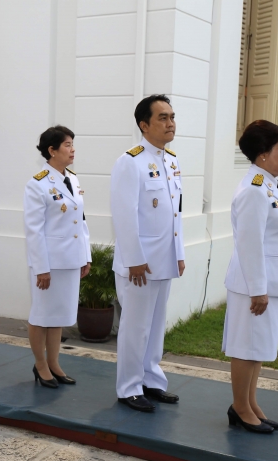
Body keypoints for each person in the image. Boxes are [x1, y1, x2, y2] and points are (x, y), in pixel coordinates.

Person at [223, 120, 278, 434]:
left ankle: (250, 402)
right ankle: (240, 408)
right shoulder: (255, 189)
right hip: (253, 285)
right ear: (262, 154)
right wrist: (258, 290)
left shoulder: (268, 183)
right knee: (246, 346)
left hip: (270, 281)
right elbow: (249, 243)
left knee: (258, 348)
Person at [110, 94, 185, 413]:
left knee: (156, 325)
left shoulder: (171, 160)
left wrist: (178, 252)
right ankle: (129, 387)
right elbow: (124, 214)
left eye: (171, 117)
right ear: (144, 125)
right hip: (139, 262)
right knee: (135, 326)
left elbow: (175, 215)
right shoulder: (131, 161)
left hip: (163, 258)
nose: (170, 123)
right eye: (162, 118)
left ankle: (152, 380)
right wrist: (134, 259)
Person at [24, 126, 90, 388]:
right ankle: (40, 366)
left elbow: (80, 221)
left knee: (59, 315)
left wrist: (85, 256)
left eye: (73, 144)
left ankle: (54, 363)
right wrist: (41, 267)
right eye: (67, 145)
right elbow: (34, 230)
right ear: (51, 151)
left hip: (70, 260)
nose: (72, 149)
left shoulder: (72, 179)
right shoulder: (37, 184)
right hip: (49, 262)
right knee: (41, 315)